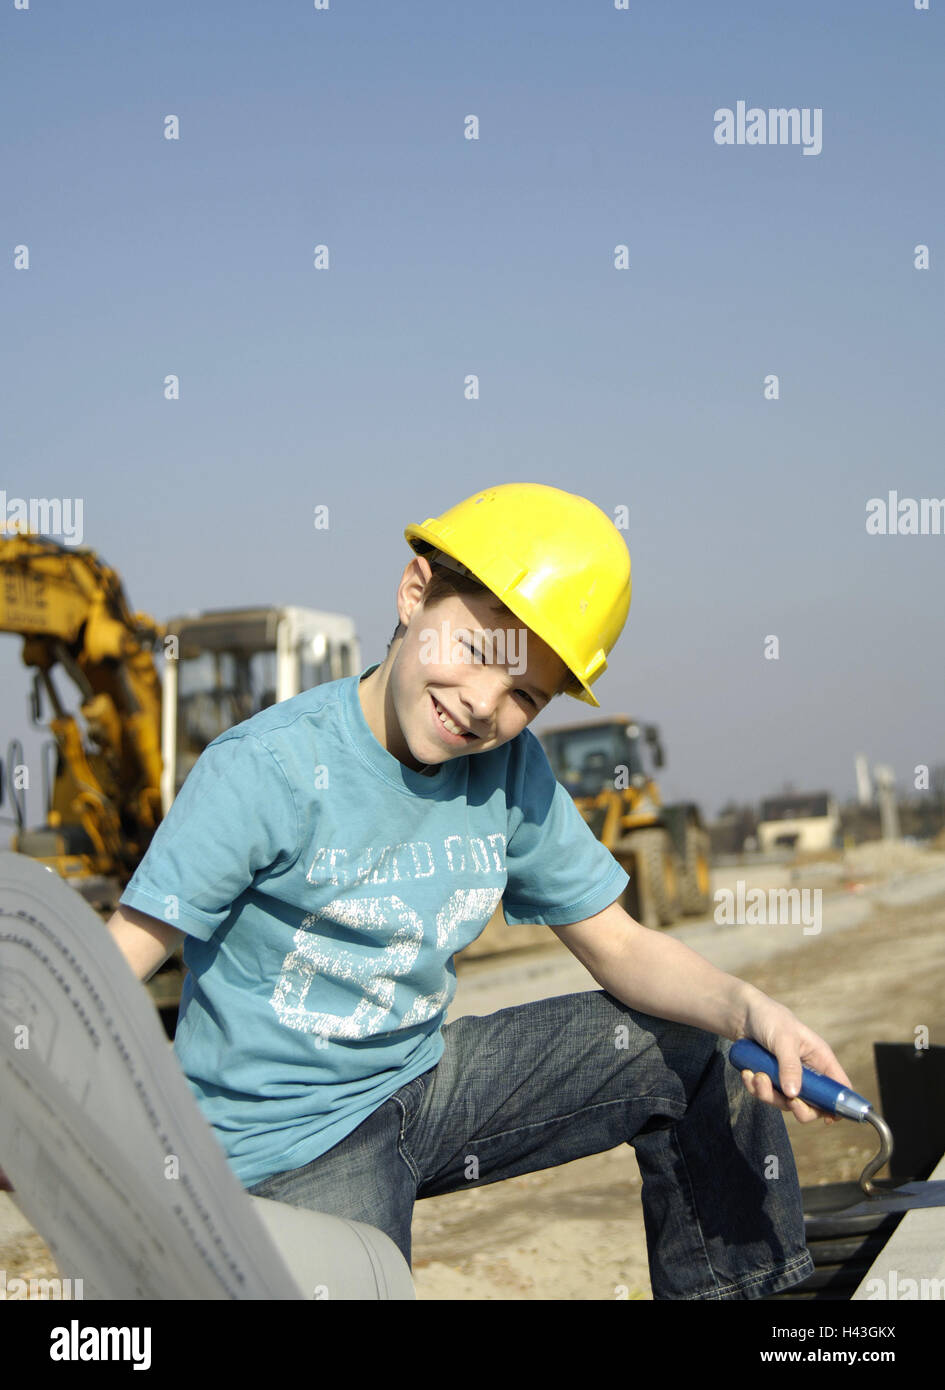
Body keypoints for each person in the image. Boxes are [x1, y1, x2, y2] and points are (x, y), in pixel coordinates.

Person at [106, 482, 847, 1300]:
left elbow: (622, 945)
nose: (482, 705)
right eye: (479, 652)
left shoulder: (509, 770)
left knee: (697, 1043)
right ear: (414, 591)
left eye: (525, 694)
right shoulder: (264, 769)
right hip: (292, 1147)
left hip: (426, 1083)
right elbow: (111, 966)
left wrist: (752, 1011)